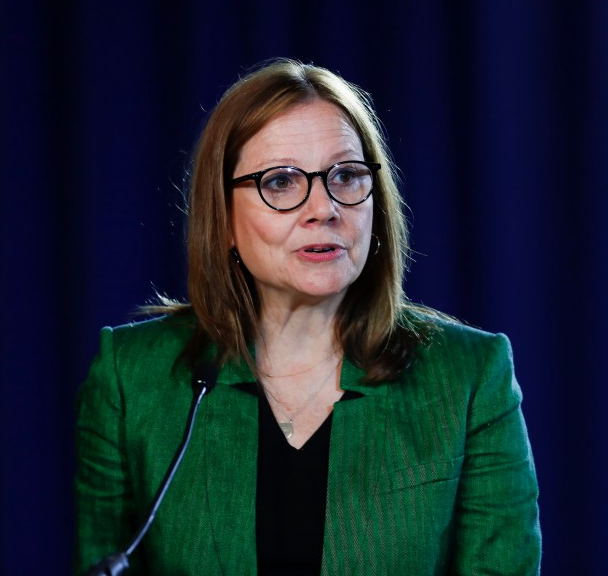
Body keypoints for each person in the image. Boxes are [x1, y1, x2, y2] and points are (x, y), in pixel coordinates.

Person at [75, 58, 541, 575]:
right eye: (280, 183)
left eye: (345, 175)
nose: (323, 207)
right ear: (224, 217)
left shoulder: (469, 377)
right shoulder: (130, 378)